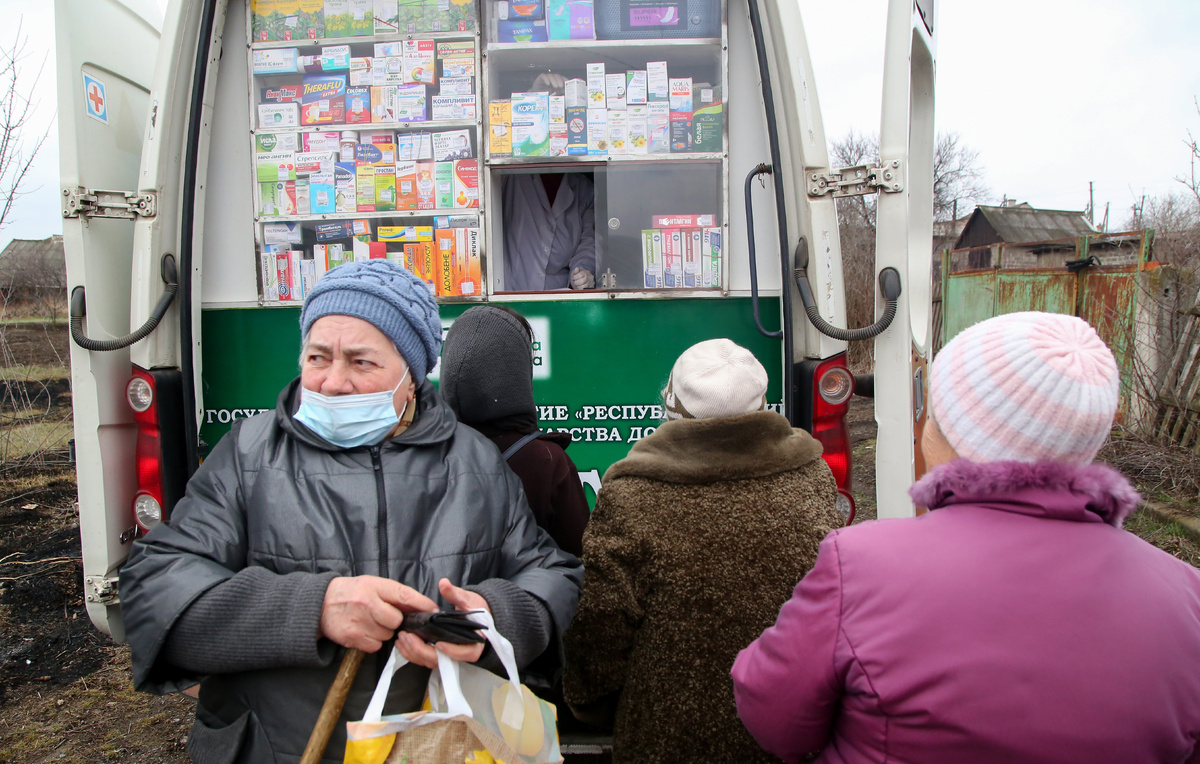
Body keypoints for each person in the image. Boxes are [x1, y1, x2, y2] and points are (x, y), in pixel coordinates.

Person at [120, 260, 583, 764]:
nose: (333, 382)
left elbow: (552, 575)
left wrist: (492, 621)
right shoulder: (249, 453)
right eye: (318, 357)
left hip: (436, 750)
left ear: (412, 376)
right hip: (277, 749)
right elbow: (154, 586)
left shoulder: (473, 460)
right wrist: (314, 607)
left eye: (361, 362)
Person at [732, 311, 1200, 764]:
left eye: (936, 413)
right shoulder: (1187, 596)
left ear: (956, 437)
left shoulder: (858, 564)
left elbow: (774, 719)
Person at [562, 338, 844, 763]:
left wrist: (593, 705)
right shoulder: (811, 478)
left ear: (671, 410)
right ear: (764, 407)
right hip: (788, 735)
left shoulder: (634, 495)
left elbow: (603, 627)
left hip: (666, 740)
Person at [439, 304, 589, 557]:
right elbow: (582, 560)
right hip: (528, 595)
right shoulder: (546, 462)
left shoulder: (420, 456)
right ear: (516, 372)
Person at [502, 72, 596, 292]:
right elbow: (503, 140)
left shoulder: (584, 190)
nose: (558, 129)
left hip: (556, 302)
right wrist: (532, 97)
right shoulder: (510, 173)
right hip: (508, 298)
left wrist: (583, 271)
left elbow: (589, 244)